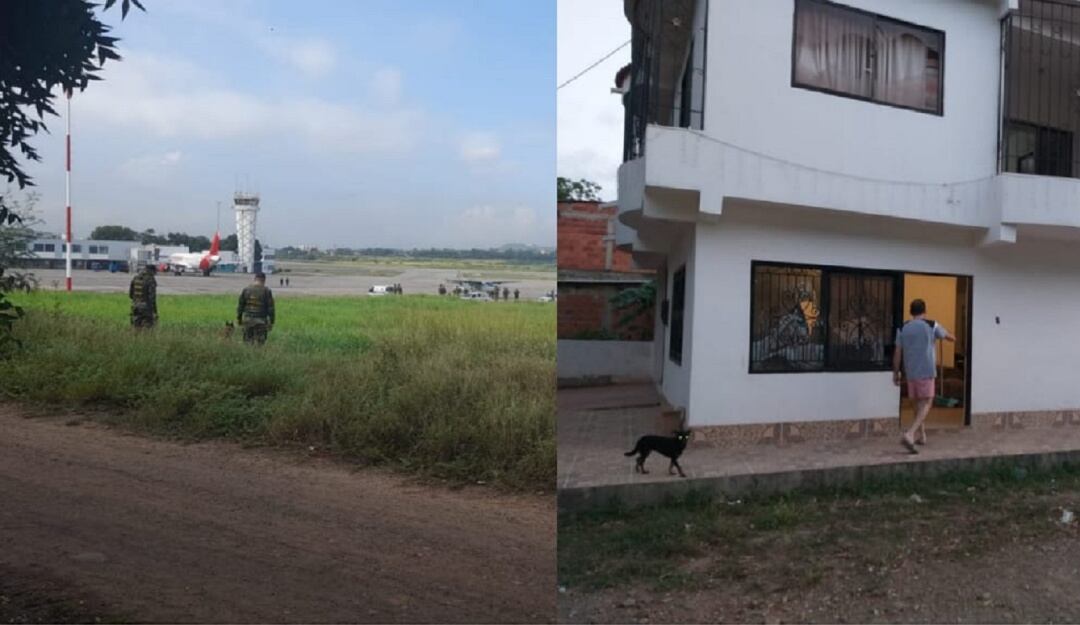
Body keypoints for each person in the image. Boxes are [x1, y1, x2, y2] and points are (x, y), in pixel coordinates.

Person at [893, 298, 955, 453]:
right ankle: (910, 433)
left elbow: (898, 352)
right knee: (927, 402)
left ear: (911, 312)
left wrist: (896, 372)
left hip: (911, 372)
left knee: (918, 405)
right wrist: (945, 333)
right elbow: (950, 338)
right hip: (926, 370)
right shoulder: (931, 325)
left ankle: (922, 435)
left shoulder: (903, 327)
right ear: (924, 311)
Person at [237, 272, 275, 345]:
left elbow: (240, 306)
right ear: (264, 280)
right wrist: (271, 322)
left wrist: (239, 319)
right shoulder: (266, 291)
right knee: (260, 344)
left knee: (247, 343)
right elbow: (271, 309)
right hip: (261, 321)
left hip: (248, 320)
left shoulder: (246, 290)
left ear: (255, 279)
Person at [129, 264, 158, 329]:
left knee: (135, 327)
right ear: (152, 271)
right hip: (146, 308)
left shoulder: (135, 278)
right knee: (148, 328)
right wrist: (155, 312)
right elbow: (152, 298)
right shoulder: (150, 279)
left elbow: (131, 295)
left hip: (135, 306)